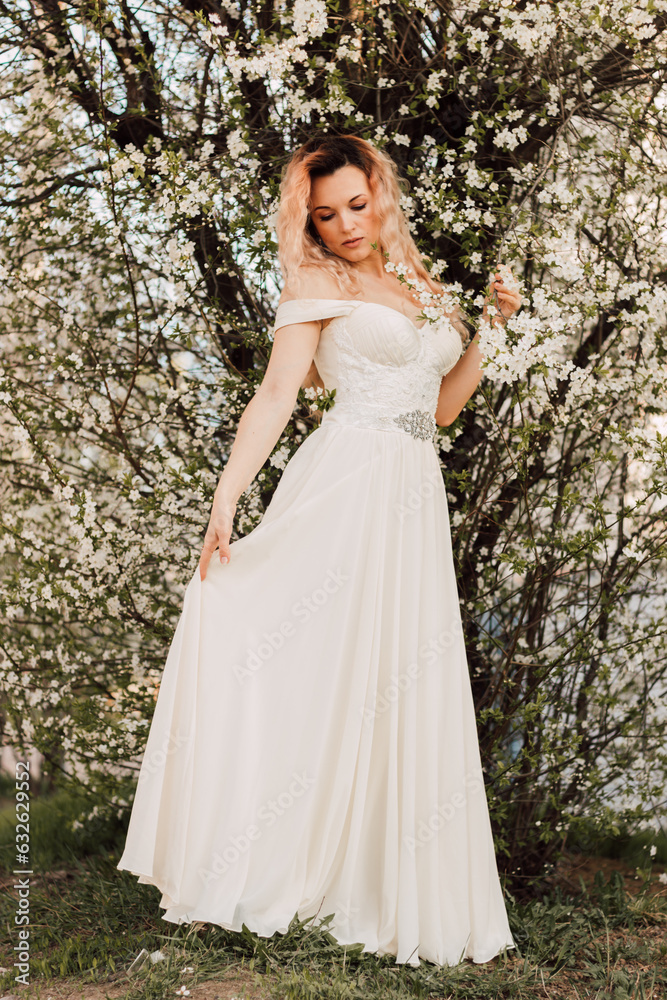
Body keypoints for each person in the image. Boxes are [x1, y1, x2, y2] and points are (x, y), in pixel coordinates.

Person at [116, 133, 522, 968]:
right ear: (310, 217)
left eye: (356, 204)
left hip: (411, 495)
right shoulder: (315, 282)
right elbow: (273, 395)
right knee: (311, 665)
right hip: (343, 483)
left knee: (393, 673)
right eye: (326, 212)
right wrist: (227, 496)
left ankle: (379, 878)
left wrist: (488, 328)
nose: (344, 224)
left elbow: (443, 408)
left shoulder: (417, 280)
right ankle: (252, 861)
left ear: (379, 188)